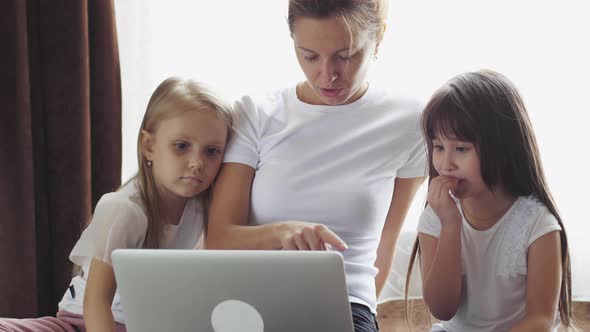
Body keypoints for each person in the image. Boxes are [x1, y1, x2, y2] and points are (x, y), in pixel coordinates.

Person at [206, 1, 427, 331]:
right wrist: (283, 233)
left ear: (379, 38)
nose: (328, 74)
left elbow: (385, 243)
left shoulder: (410, 123)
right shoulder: (255, 114)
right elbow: (220, 239)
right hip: (252, 300)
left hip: (346, 305)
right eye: (309, 56)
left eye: (346, 55)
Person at [0, 77, 233, 332]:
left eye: (211, 151)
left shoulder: (204, 207)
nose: (196, 163)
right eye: (181, 146)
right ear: (149, 146)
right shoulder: (125, 209)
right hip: (87, 322)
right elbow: (96, 299)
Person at [406, 70, 572, 332]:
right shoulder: (436, 217)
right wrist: (450, 226)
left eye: (461, 149)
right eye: (438, 147)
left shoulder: (538, 224)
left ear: (502, 148)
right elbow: (441, 308)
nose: (445, 164)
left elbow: (539, 320)